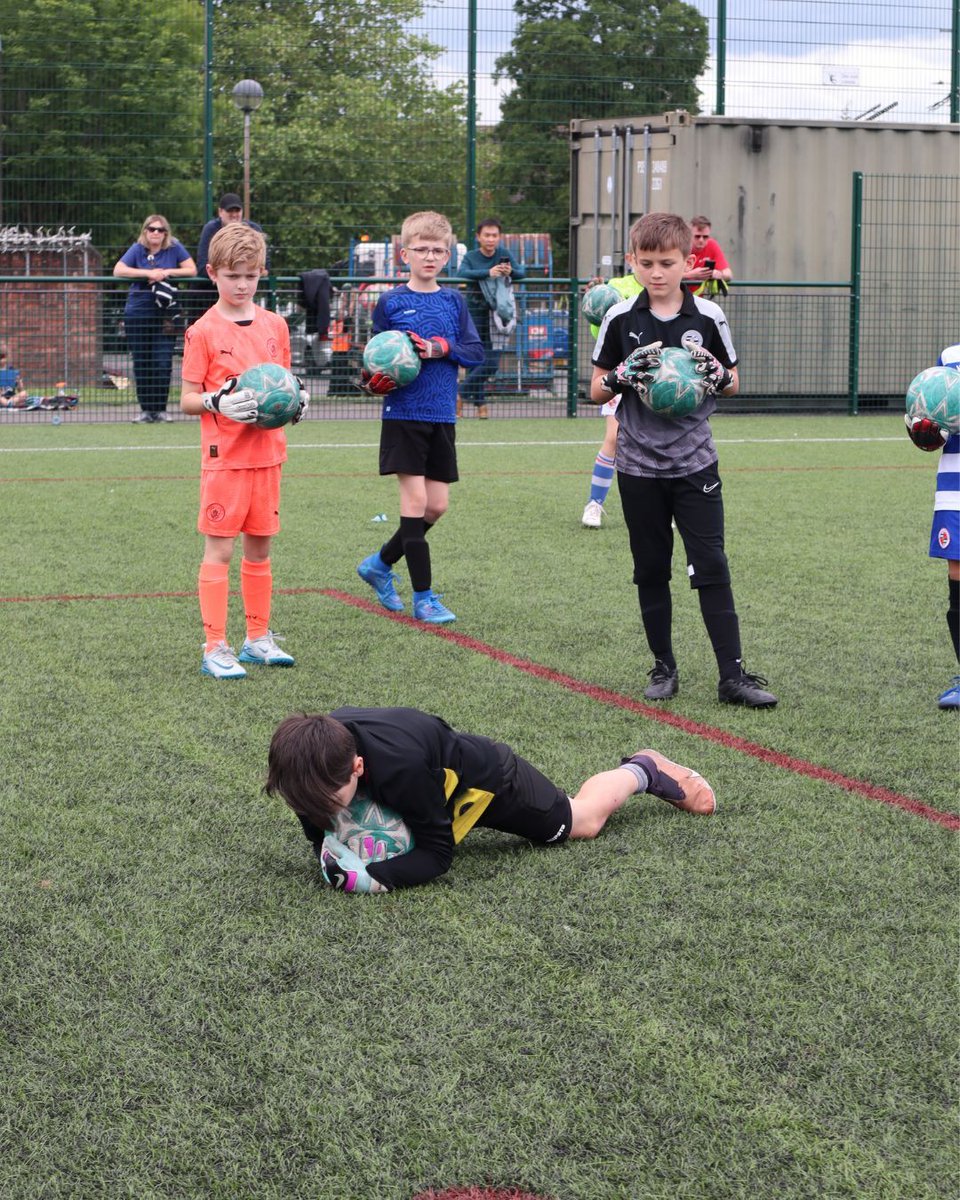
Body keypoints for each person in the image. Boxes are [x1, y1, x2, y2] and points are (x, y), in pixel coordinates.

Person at [590, 211, 777, 708]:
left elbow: (734, 383)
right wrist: (622, 374)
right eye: (646, 263)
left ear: (688, 263)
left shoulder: (709, 317)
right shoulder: (620, 318)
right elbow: (593, 388)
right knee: (651, 568)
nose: (656, 272)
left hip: (695, 463)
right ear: (633, 262)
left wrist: (717, 372)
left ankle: (733, 677)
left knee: (711, 564)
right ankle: (664, 667)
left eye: (667, 263)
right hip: (637, 466)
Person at [265, 706, 716, 893]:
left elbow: (438, 854)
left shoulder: (399, 769)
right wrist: (324, 845)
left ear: (358, 768)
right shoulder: (312, 758)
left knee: (581, 822)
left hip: (485, 783)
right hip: (428, 778)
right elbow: (315, 811)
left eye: (327, 798)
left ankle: (642, 769)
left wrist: (368, 877)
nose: (314, 807)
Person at [180, 222, 308, 680]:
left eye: (250, 275)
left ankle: (257, 639)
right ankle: (215, 644)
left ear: (261, 274)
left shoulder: (276, 325)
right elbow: (188, 398)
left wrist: (297, 398)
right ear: (213, 273)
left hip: (269, 455)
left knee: (260, 550)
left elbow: (284, 382)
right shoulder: (203, 332)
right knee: (221, 552)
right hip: (226, 459)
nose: (241, 284)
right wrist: (218, 401)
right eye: (233, 275)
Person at [355, 210, 484, 625]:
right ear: (404, 254)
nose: (429, 256)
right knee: (414, 502)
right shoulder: (391, 302)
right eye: (421, 249)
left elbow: (475, 353)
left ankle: (379, 564)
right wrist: (371, 381)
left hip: (442, 415)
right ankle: (424, 598)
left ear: (448, 256)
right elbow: (372, 359)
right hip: (404, 414)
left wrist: (439, 348)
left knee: (437, 506)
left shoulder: (453, 301)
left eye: (438, 250)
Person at [904, 342, 960, 709]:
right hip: (956, 484)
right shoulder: (950, 357)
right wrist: (923, 432)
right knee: (958, 575)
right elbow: (930, 420)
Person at [113, 215, 196, 422]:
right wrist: (148, 274)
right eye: (152, 229)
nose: (156, 233)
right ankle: (146, 410)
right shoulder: (137, 249)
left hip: (164, 315)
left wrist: (166, 272)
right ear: (145, 231)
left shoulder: (174, 248)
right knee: (142, 363)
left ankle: (160, 409)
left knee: (162, 362)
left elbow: (191, 269)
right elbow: (118, 270)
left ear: (166, 233)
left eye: (160, 230)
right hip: (138, 313)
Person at [581, 256, 643, 528]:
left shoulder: (664, 289)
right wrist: (595, 304)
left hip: (654, 374)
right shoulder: (615, 285)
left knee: (659, 440)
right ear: (632, 258)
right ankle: (594, 504)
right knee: (615, 436)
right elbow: (599, 331)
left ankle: (668, 506)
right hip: (620, 373)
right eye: (643, 259)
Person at [456, 218, 526, 418]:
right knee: (475, 358)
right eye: (486, 235)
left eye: (494, 235)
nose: (490, 239)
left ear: (499, 237)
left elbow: (522, 272)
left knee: (492, 362)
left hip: (498, 314)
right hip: (475, 312)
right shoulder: (471, 256)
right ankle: (481, 406)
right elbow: (462, 273)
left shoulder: (504, 254)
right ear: (478, 237)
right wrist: (488, 272)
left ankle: (460, 393)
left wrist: (510, 271)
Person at [193, 193, 269, 319]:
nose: (234, 214)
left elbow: (266, 265)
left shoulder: (254, 229)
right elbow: (201, 266)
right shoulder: (210, 229)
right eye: (230, 210)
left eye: (237, 210)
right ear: (220, 212)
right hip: (207, 296)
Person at [684, 216, 733, 298]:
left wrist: (718, 274)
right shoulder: (681, 245)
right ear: (689, 235)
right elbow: (668, 275)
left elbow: (729, 274)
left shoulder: (712, 245)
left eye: (705, 237)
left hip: (697, 299)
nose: (701, 240)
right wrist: (691, 275)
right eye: (697, 236)